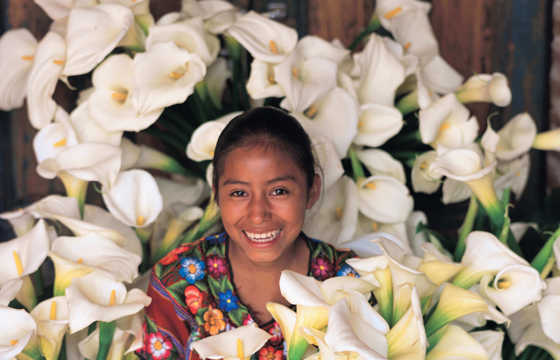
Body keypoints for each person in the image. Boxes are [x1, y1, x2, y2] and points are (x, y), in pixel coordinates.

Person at [138, 107, 357, 360]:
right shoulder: (177, 282)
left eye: (279, 191)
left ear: (312, 190)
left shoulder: (347, 282)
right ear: (217, 194)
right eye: (239, 193)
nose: (258, 214)